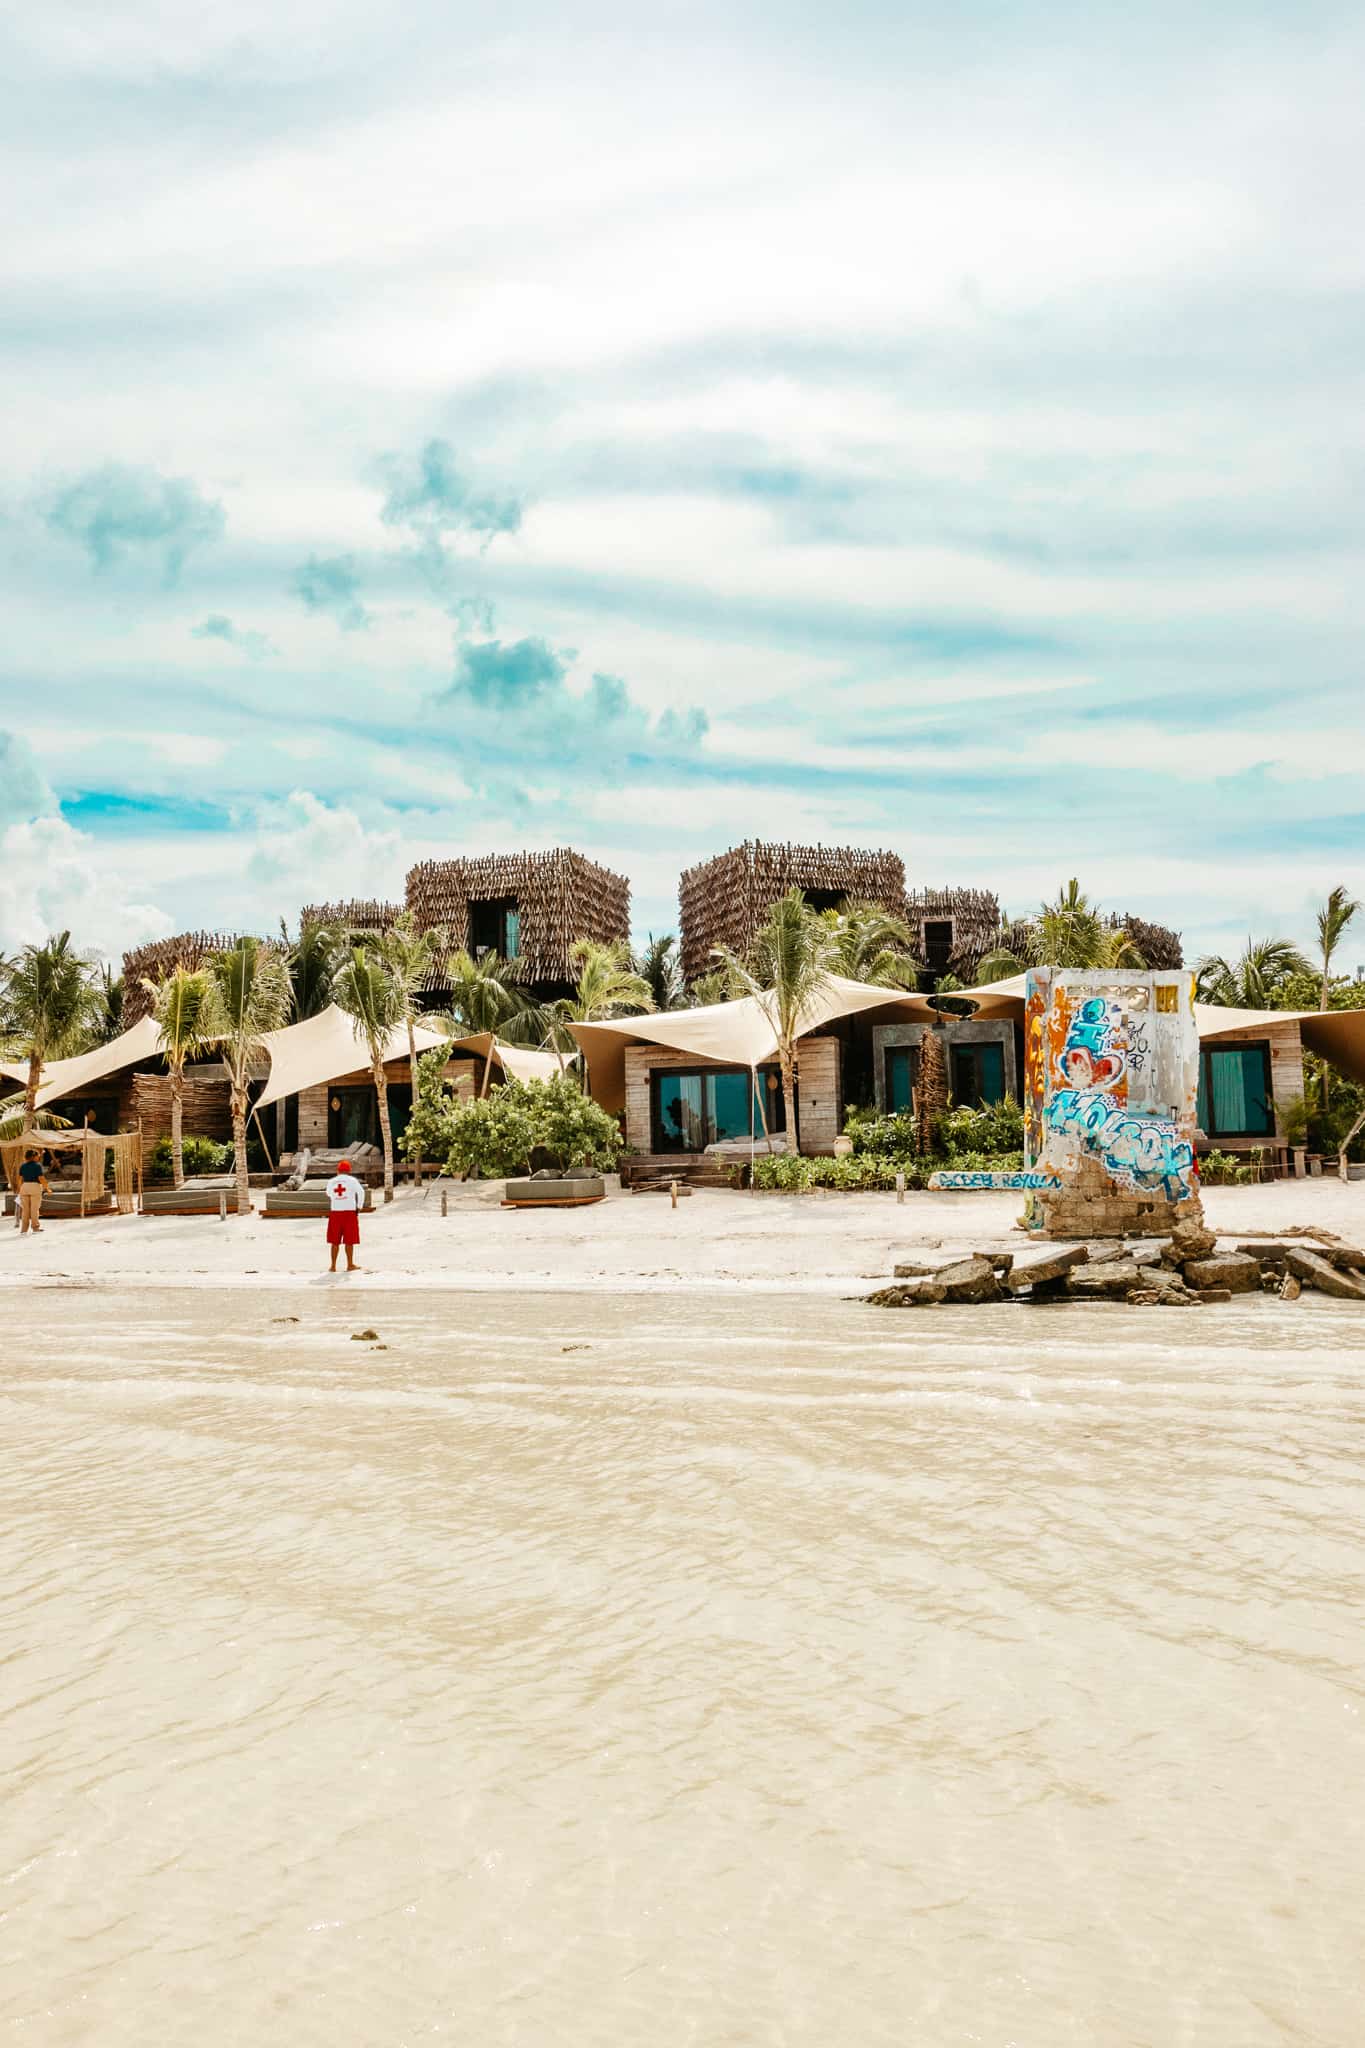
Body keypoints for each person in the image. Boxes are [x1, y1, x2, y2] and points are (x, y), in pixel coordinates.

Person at [326, 1157, 366, 1273]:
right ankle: (350, 1265)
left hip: (335, 1212)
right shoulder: (352, 1180)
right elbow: (361, 1192)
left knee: (335, 1241)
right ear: (349, 1171)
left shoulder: (331, 1181)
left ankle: (333, 1266)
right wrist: (359, 1207)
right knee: (349, 1240)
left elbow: (328, 1193)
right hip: (349, 1212)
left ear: (338, 1171)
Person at [17, 1149, 49, 1235]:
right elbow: (41, 1178)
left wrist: (20, 1189)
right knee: (34, 1209)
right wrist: (47, 1188)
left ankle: (24, 1230)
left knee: (25, 1210)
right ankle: (35, 1228)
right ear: (33, 1157)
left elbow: (20, 1179)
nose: (39, 1157)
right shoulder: (37, 1166)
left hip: (24, 1187)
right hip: (34, 1187)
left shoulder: (22, 1166)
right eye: (38, 1156)